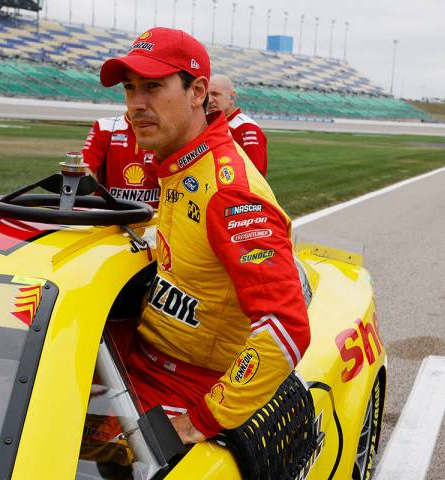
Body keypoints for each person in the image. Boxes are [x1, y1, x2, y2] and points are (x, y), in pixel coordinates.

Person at [99, 27, 310, 444]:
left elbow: (285, 328)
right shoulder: (181, 163)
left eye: (153, 87)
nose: (136, 104)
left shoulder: (230, 193)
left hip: (187, 389)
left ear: (197, 92)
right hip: (138, 364)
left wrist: (203, 419)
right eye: (129, 88)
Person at [81, 114, 160, 208]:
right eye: (133, 98)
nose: (140, 104)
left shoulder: (168, 129)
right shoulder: (104, 126)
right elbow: (85, 168)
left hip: (155, 217)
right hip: (110, 215)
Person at [208, 74, 269, 177]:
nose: (209, 100)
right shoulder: (207, 124)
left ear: (232, 97)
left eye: (215, 94)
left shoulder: (246, 128)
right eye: (206, 95)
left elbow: (255, 175)